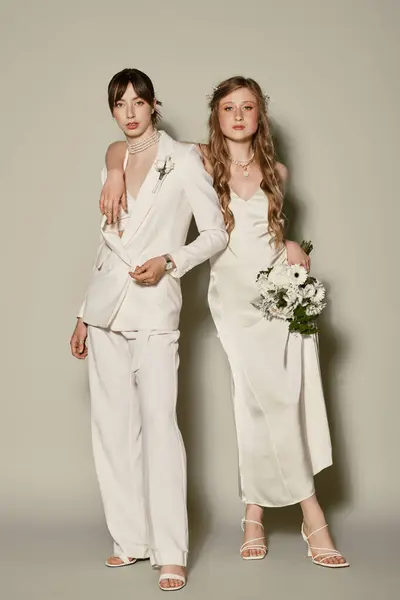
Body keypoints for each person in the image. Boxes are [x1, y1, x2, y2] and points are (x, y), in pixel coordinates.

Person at [100, 76, 349, 569]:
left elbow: (270, 230)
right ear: (216, 116)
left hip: (277, 292)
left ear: (260, 116)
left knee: (280, 399)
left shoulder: (277, 169)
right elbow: (127, 141)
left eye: (248, 107)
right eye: (228, 108)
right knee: (259, 398)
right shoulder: (199, 160)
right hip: (233, 301)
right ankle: (308, 511)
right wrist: (112, 172)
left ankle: (256, 512)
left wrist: (294, 245)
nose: (238, 116)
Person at [69, 68, 228, 592]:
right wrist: (81, 312)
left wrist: (170, 261)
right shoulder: (113, 159)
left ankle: (171, 550)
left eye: (139, 101)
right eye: (121, 104)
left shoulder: (183, 159)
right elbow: (105, 240)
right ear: (113, 111)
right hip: (104, 309)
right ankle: (129, 540)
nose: (131, 111)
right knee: (113, 430)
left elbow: (215, 232)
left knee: (160, 428)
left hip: (155, 306)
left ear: (154, 105)